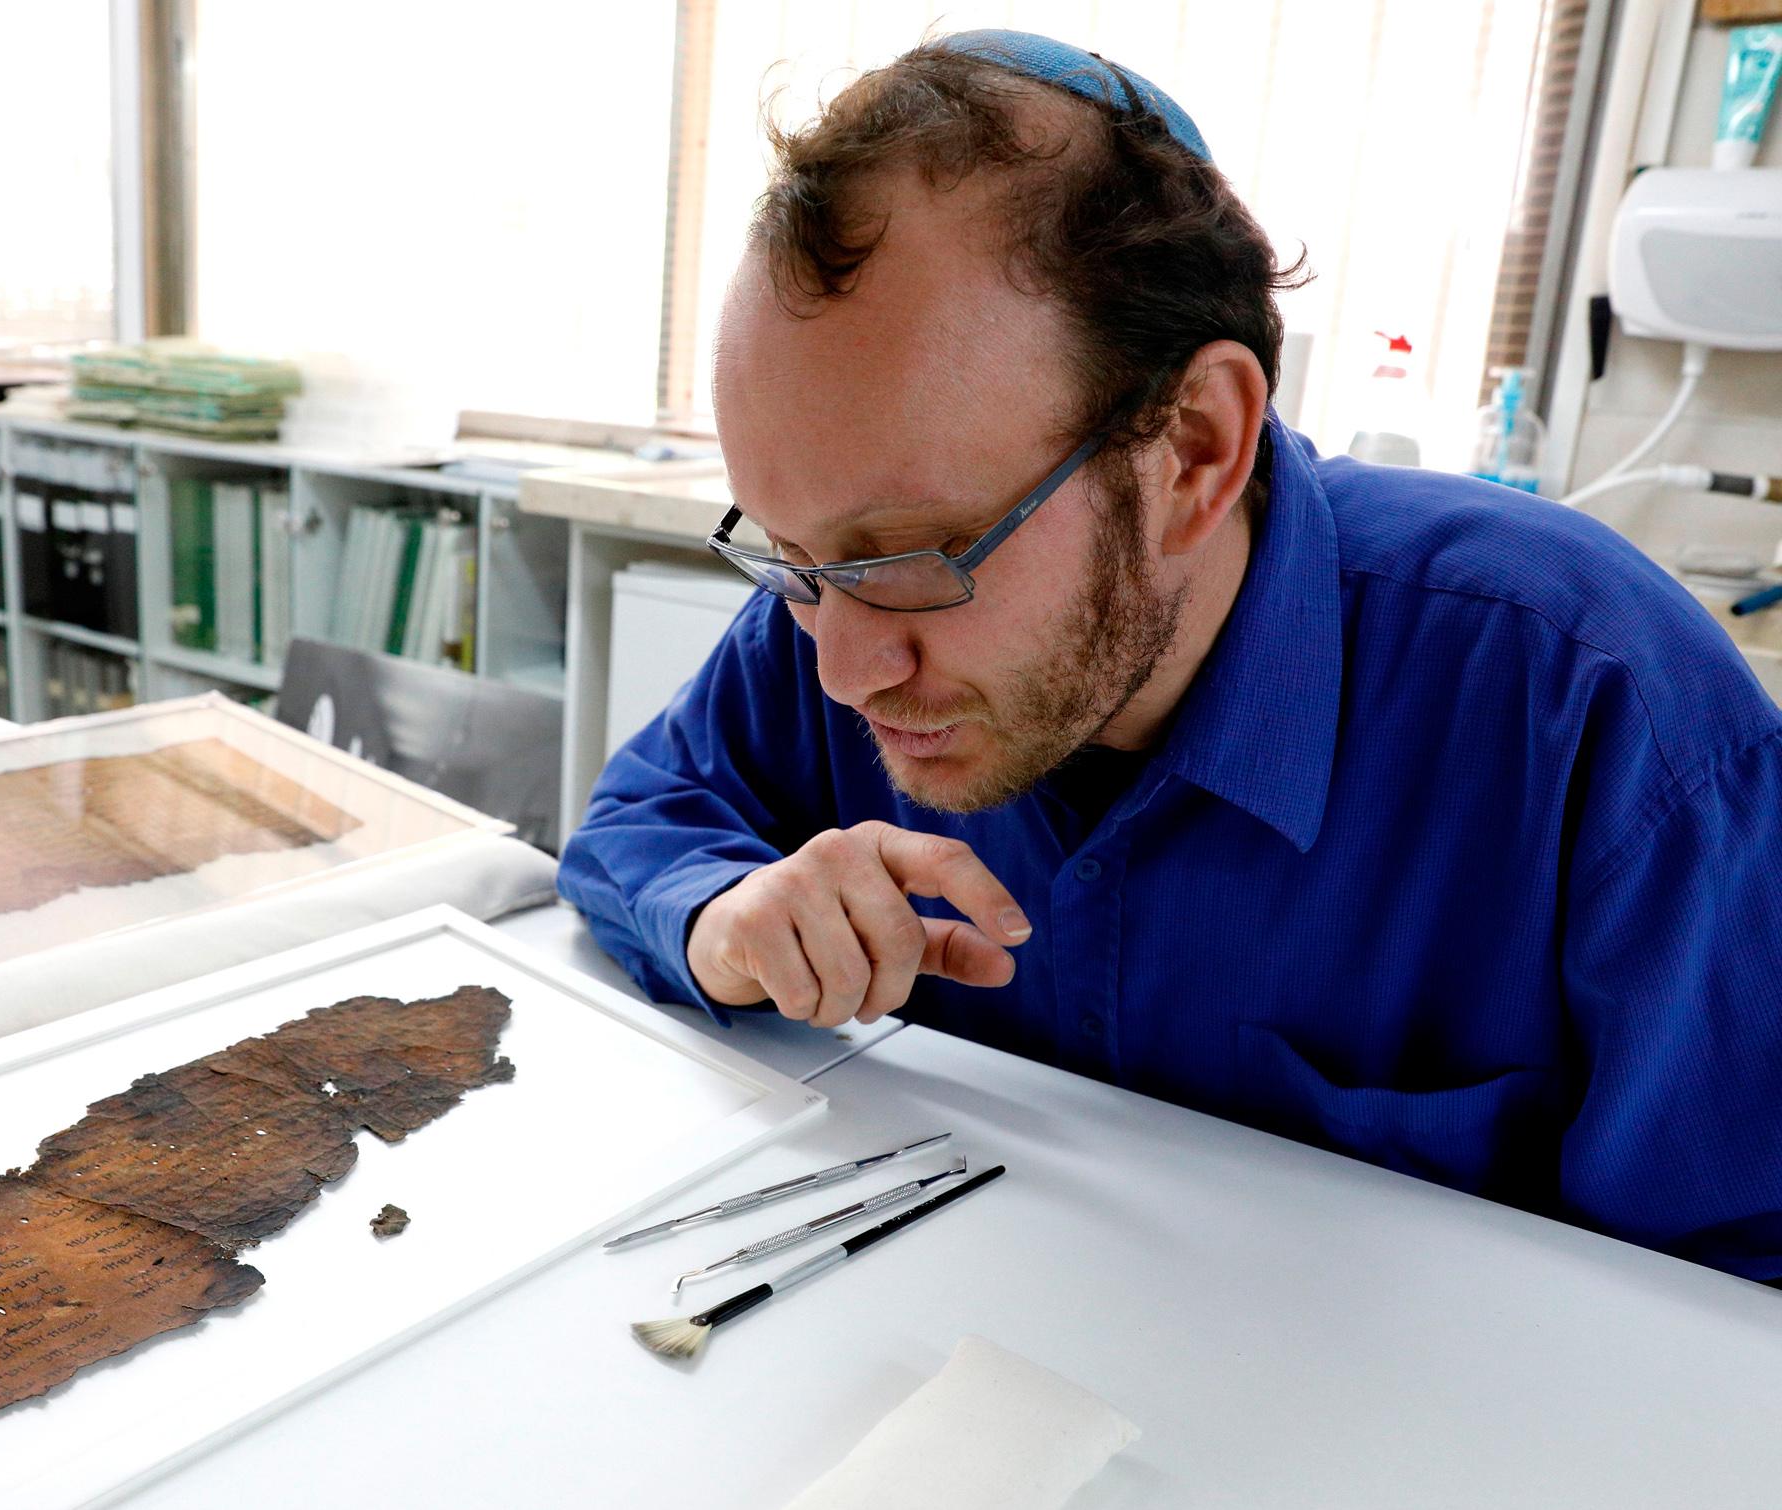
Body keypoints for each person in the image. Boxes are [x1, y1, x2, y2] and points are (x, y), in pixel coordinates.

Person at [558, 30, 1782, 1279]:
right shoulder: (829, 610)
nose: (841, 671)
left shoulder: (1597, 712)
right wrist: (724, 916)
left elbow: (1739, 1313)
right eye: (791, 553)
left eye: (917, 554)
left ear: (1193, 448)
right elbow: (633, 822)